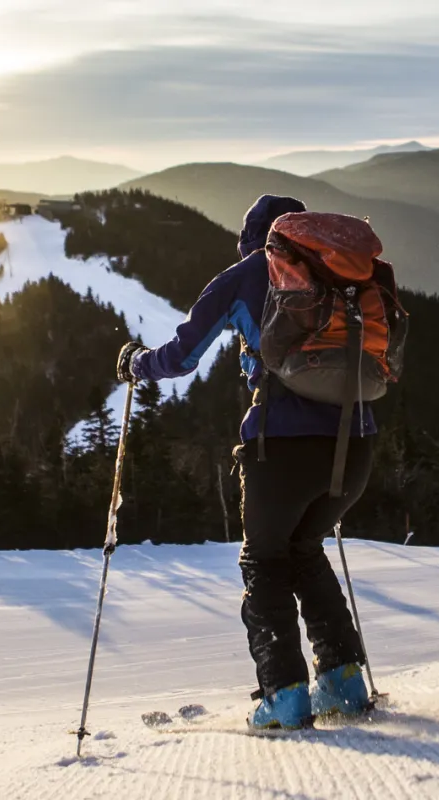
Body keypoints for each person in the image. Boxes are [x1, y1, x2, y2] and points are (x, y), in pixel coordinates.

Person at [115, 194, 377, 730]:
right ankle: (344, 683)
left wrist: (137, 365)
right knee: (304, 550)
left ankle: (284, 697)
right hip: (357, 447)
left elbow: (181, 357)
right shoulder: (349, 276)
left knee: (264, 561)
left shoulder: (245, 275)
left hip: (280, 449)